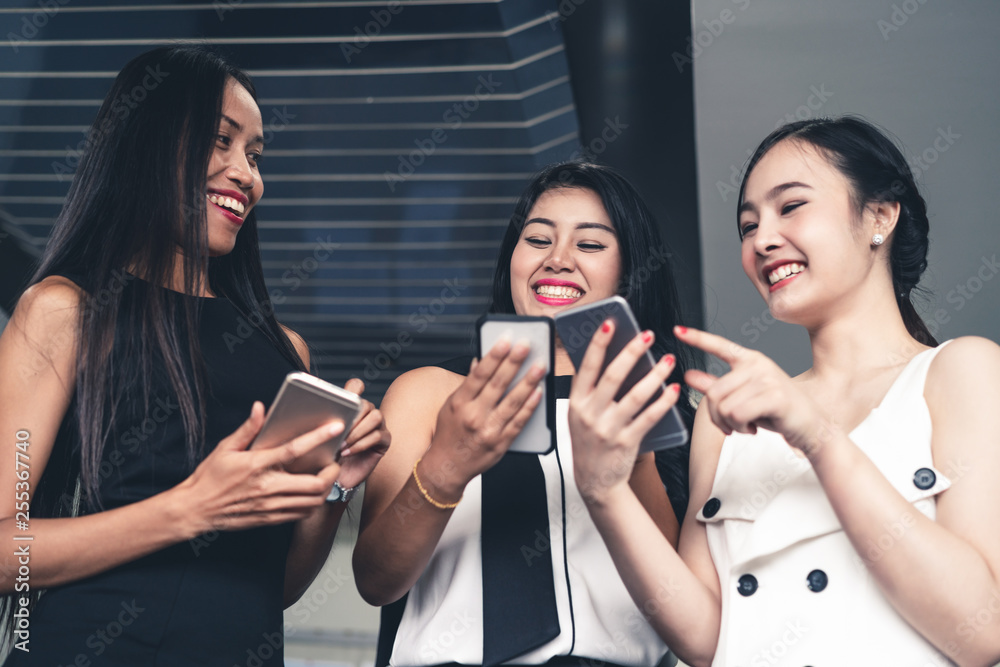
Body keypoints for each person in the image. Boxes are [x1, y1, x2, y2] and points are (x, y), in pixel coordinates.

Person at [0, 46, 389, 665]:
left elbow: (274, 591)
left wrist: (332, 492)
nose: (247, 175)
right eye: (221, 141)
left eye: (256, 156)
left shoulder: (285, 351)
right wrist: (189, 509)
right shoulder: (62, 311)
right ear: (149, 145)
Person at [569, 116, 1000, 666]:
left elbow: (981, 632)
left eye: (790, 206)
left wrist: (817, 435)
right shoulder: (724, 422)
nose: (763, 240)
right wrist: (603, 492)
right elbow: (705, 640)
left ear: (880, 217)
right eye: (748, 226)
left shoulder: (961, 371)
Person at [353, 161, 694, 667]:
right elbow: (376, 581)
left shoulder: (672, 410)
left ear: (630, 269)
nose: (557, 259)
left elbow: (677, 607)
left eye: (591, 244)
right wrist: (448, 465)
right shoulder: (430, 393)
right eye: (537, 240)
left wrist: (634, 452)